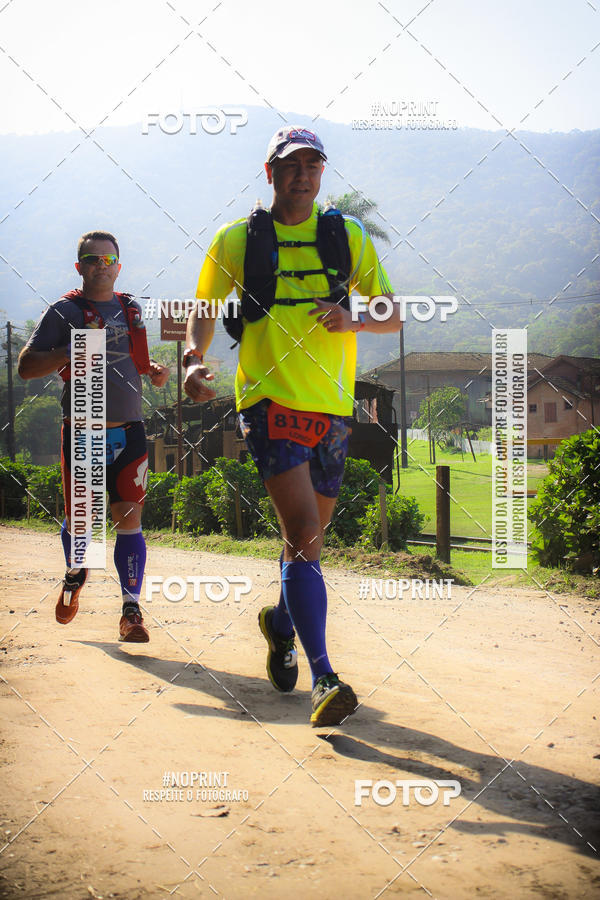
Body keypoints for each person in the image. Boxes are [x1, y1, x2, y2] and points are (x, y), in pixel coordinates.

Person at [184, 126, 400, 726]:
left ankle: (279, 625)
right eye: (291, 164)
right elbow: (203, 310)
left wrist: (350, 317)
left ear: (322, 173)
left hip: (332, 408)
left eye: (312, 164)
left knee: (305, 543)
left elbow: (391, 313)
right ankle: (324, 676)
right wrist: (192, 360)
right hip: (268, 402)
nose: (302, 174)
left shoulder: (346, 236)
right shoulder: (237, 239)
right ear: (270, 170)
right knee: (304, 530)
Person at [18, 231, 169, 642]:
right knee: (82, 527)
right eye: (92, 258)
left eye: (109, 259)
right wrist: (70, 350)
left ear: (119, 266)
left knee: (129, 519)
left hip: (130, 430)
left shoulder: (131, 308)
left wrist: (154, 370)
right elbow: (26, 366)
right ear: (79, 265)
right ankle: (75, 574)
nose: (101, 266)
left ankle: (131, 611)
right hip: (83, 431)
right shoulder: (65, 310)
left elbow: (135, 362)